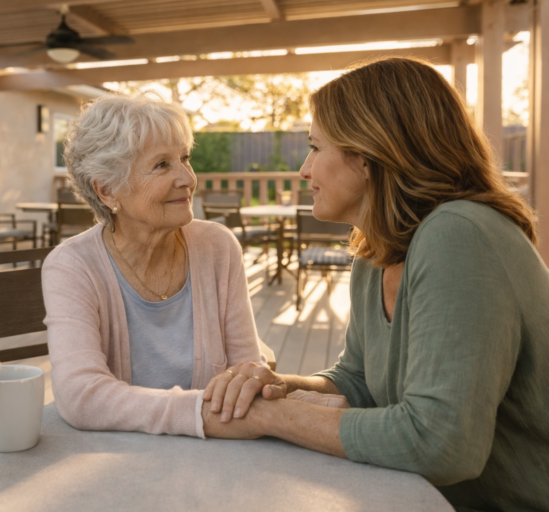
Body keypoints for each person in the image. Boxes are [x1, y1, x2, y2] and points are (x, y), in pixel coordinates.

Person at [201, 57, 549, 511]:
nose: (304, 170)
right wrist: (278, 386)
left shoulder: (461, 235)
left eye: (314, 147)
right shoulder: (377, 250)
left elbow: (441, 443)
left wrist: (273, 415)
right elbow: (358, 380)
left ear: (366, 156)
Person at [42, 95, 266, 439]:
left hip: (219, 457)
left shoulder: (218, 247)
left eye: (185, 158)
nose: (188, 178)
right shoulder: (72, 267)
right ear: (107, 191)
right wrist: (200, 414)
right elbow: (81, 395)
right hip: (114, 465)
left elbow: (247, 373)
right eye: (162, 165)